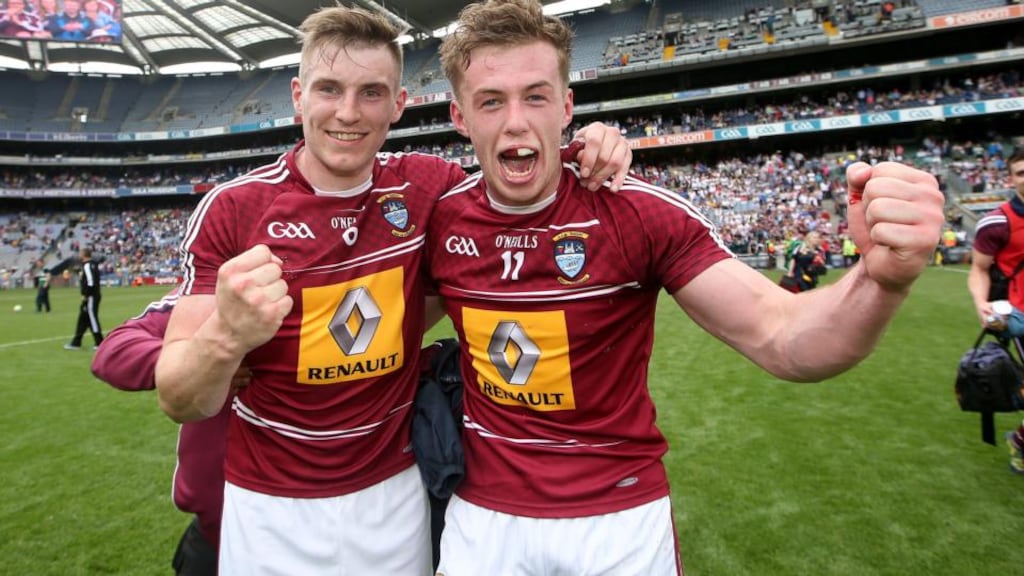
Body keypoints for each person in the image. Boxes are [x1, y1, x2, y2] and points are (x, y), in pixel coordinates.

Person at [427, 0, 945, 573]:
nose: (517, 122)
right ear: (459, 116)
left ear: (567, 107)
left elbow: (784, 337)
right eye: (491, 101)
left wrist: (881, 279)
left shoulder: (639, 212)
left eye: (536, 96)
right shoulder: (441, 219)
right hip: (482, 517)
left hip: (618, 517)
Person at [153, 6, 632, 575]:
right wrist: (225, 339)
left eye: (372, 92)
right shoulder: (233, 209)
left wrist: (591, 143)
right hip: (268, 505)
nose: (348, 113)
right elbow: (180, 399)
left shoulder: (429, 189)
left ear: (399, 104)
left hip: (394, 494)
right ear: (299, 96)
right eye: (329, 89)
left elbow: (521, 186)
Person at [91, 288, 234, 576]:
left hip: (329, 522)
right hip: (216, 536)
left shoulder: (343, 282)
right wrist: (199, 360)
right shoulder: (211, 289)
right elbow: (114, 349)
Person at [967, 147, 1024, 475]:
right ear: (1010, 178)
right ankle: (1020, 444)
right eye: (1020, 173)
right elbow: (979, 269)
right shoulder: (997, 222)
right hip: (1018, 315)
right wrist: (981, 303)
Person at [65, 247, 104, 350]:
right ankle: (76, 342)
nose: (79, 255)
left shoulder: (87, 266)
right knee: (83, 318)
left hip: (91, 296)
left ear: (84, 254)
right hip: (92, 295)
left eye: (80, 253)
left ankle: (100, 342)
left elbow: (90, 282)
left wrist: (85, 295)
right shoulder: (91, 265)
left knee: (92, 318)